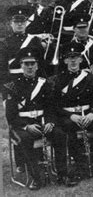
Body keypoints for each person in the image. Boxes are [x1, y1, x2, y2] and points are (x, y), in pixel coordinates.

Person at [5, 47, 78, 190]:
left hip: (42, 122)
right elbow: (11, 115)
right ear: (21, 66)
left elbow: (51, 107)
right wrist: (26, 126)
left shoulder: (45, 84)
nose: (30, 67)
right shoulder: (12, 86)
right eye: (26, 64)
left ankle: (62, 174)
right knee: (25, 138)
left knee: (59, 134)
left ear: (37, 66)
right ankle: (36, 178)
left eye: (32, 64)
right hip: (21, 126)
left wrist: (51, 121)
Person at [51, 42, 93, 181]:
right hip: (69, 117)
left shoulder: (90, 78)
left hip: (88, 115)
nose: (73, 60)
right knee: (67, 129)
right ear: (65, 60)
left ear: (81, 59)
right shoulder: (58, 80)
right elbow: (55, 106)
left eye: (76, 57)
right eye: (70, 57)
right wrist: (71, 116)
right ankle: (80, 167)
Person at [0, 5, 45, 94]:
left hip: (33, 81)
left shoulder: (34, 41)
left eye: (22, 22)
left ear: (26, 23)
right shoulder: (5, 43)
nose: (19, 24)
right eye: (16, 22)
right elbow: (2, 67)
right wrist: (7, 85)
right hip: (13, 82)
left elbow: (41, 63)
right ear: (11, 24)